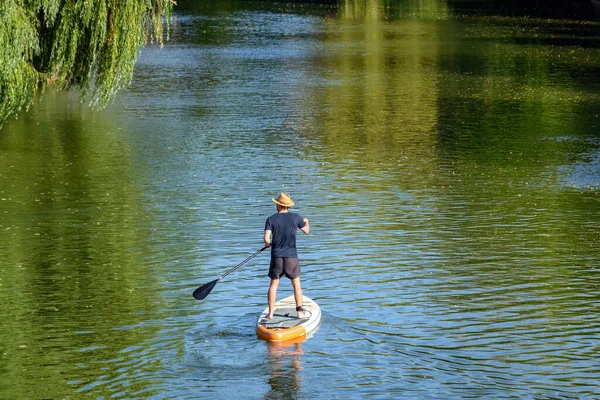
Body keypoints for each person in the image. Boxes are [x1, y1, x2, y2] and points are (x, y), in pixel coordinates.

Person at [264, 192, 310, 319]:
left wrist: (268, 244)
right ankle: (300, 312)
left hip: (276, 256)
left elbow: (267, 239)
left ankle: (271, 313)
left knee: (273, 285)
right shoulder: (296, 218)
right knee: (296, 285)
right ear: (288, 205)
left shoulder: (271, 219)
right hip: (291, 257)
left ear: (278, 205)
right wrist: (306, 222)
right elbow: (306, 231)